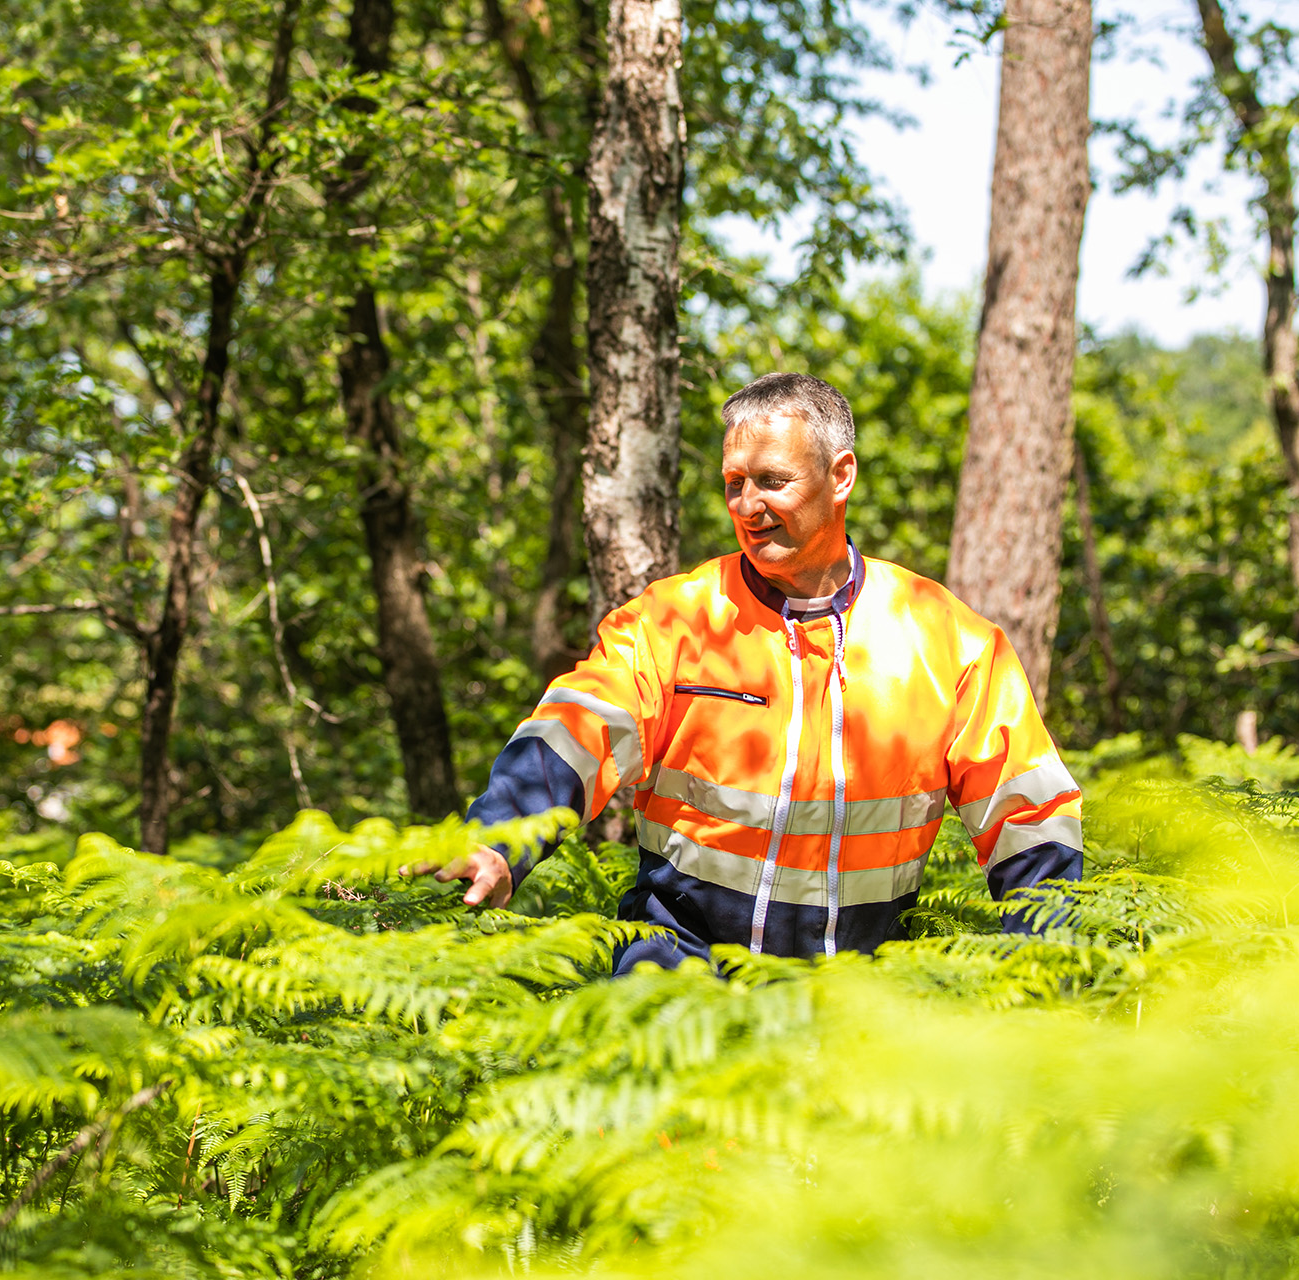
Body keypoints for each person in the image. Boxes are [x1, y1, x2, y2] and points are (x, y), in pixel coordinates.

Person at [420, 372, 1082, 970]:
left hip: (860, 1004)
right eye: (734, 484)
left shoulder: (949, 641)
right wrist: (499, 840)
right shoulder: (676, 620)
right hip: (675, 981)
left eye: (771, 481)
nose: (747, 505)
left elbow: (1030, 813)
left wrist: (1040, 969)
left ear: (840, 476)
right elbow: (579, 727)